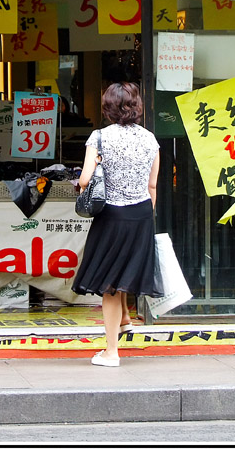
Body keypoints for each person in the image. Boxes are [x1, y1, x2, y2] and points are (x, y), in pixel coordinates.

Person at [72, 82, 161, 367]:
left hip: (112, 216)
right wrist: (146, 214)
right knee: (125, 271)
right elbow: (153, 185)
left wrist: (96, 165)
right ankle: (124, 318)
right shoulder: (150, 139)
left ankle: (111, 352)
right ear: (136, 107)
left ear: (107, 108)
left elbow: (85, 180)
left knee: (109, 284)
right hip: (142, 215)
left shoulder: (99, 138)